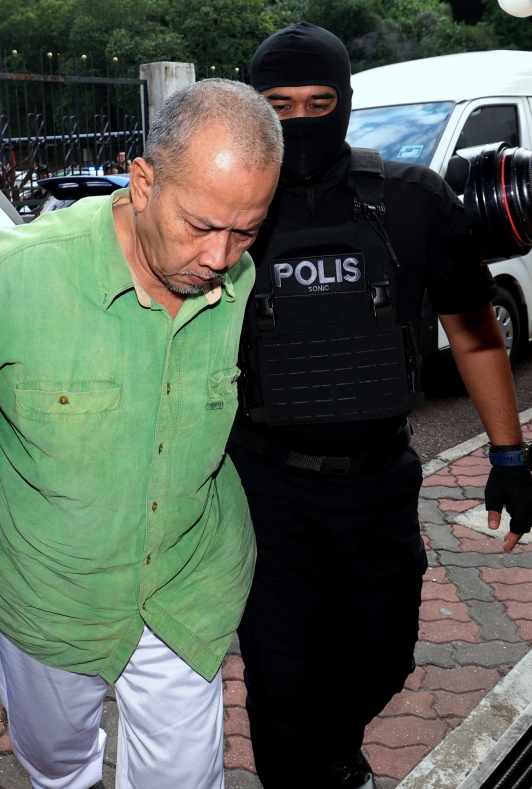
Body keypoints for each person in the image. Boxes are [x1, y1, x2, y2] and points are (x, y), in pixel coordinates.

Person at [0, 79, 282, 789]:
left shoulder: (237, 280)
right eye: (200, 225)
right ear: (144, 181)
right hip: (48, 595)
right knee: (60, 770)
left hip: (188, 584)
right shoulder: (10, 275)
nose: (220, 256)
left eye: (245, 230)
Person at [230, 23, 532, 789]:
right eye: (279, 104)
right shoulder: (228, 212)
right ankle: (304, 770)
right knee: (281, 676)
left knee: (386, 656)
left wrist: (508, 454)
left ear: (347, 102)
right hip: (268, 487)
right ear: (253, 108)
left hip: (379, 484)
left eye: (319, 100)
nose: (300, 120)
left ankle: (329, 752)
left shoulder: (411, 202)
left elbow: (474, 335)